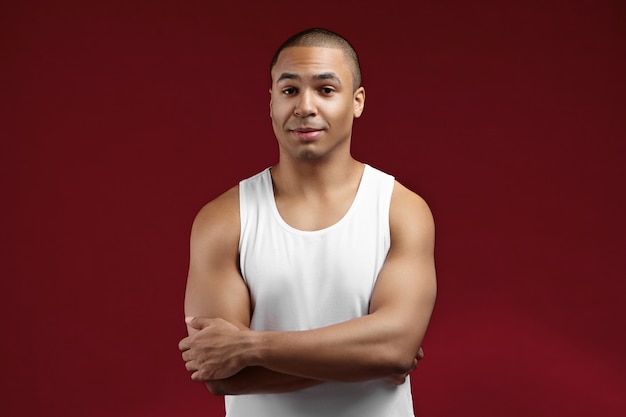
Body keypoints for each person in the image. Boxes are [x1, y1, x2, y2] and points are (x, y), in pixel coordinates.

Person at [178, 27, 437, 417]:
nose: (304, 106)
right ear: (270, 102)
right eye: (289, 90)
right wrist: (368, 358)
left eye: (326, 90)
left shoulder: (400, 210)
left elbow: (395, 350)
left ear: (357, 101)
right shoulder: (224, 219)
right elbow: (220, 374)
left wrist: (251, 347)